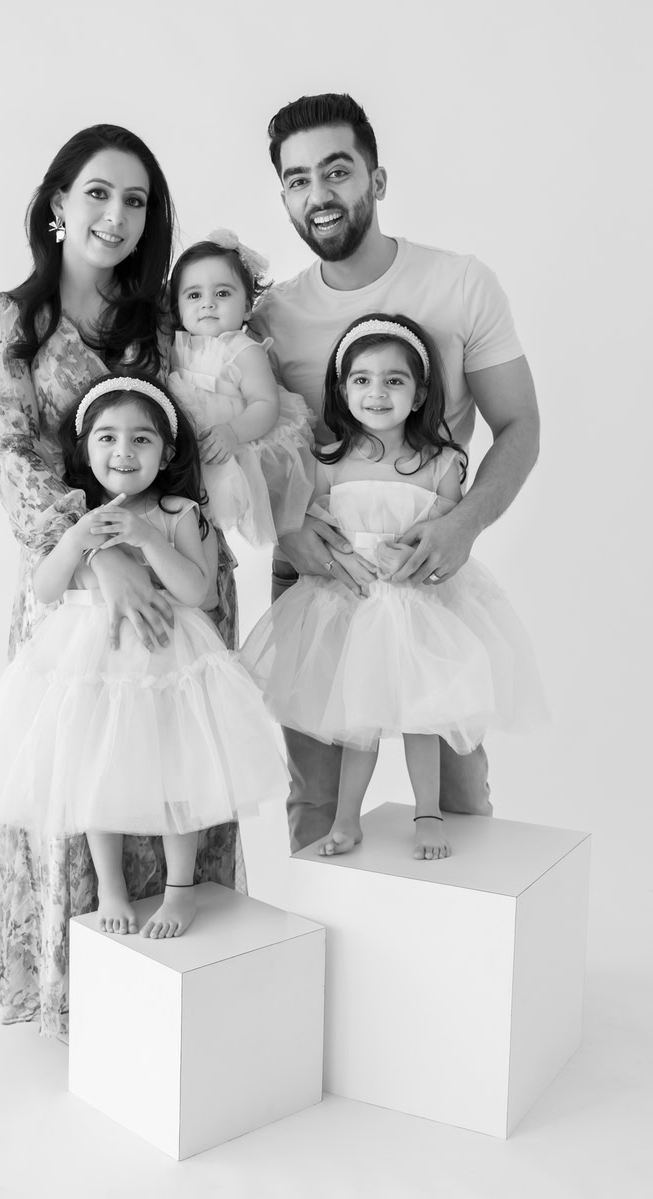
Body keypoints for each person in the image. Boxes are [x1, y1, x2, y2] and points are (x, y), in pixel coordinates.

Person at [0, 124, 243, 1036]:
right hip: (76, 589)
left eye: (136, 201)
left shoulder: (169, 317)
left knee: (174, 773)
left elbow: (222, 424)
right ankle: (80, 996)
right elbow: (10, 457)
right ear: (56, 203)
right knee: (80, 775)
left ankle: (184, 1011)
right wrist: (106, 557)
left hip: (180, 585)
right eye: (97, 192)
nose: (116, 215)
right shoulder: (12, 323)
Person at [248, 93, 540, 852]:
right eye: (297, 178)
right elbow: (248, 443)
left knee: (454, 800)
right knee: (316, 802)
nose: (319, 194)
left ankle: (461, 951)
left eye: (337, 170)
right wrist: (287, 527)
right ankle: (321, 959)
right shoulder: (273, 317)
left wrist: (463, 522)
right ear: (283, 193)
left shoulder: (460, 285)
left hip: (427, 580)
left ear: (376, 180)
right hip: (318, 580)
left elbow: (520, 426)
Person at [0, 375, 287, 937]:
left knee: (177, 776)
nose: (123, 452)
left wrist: (147, 537)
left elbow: (199, 593)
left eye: (142, 439)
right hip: (92, 664)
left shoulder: (181, 510)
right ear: (85, 448)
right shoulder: (80, 512)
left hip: (166, 664)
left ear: (166, 451)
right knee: (95, 773)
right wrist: (74, 538)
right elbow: (45, 589)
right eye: (107, 438)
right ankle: (111, 886)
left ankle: (179, 889)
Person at [243, 316, 544, 860]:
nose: (376, 393)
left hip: (419, 606)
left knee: (422, 716)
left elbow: (446, 530)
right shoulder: (328, 461)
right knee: (359, 716)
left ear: (419, 392)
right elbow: (315, 526)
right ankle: (346, 818)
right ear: (341, 389)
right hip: (352, 605)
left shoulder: (440, 463)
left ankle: (426, 813)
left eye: (393, 381)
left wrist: (411, 550)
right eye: (360, 380)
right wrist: (337, 553)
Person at [167, 230, 314, 547]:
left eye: (222, 294)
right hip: (186, 452)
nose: (207, 303)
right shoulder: (174, 346)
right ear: (177, 308)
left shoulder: (244, 349)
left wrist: (233, 432)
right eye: (193, 296)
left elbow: (264, 403)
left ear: (247, 308)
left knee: (210, 522)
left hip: (230, 445)